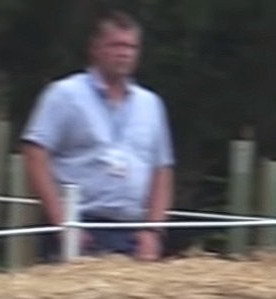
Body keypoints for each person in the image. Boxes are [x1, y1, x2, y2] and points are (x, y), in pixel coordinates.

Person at [21, 11, 176, 261]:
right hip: (80, 227)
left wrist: (154, 231)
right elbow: (34, 154)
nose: (125, 53)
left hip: (131, 232)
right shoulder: (65, 95)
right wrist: (63, 223)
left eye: (131, 46)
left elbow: (162, 171)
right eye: (116, 45)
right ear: (95, 49)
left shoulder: (151, 104)